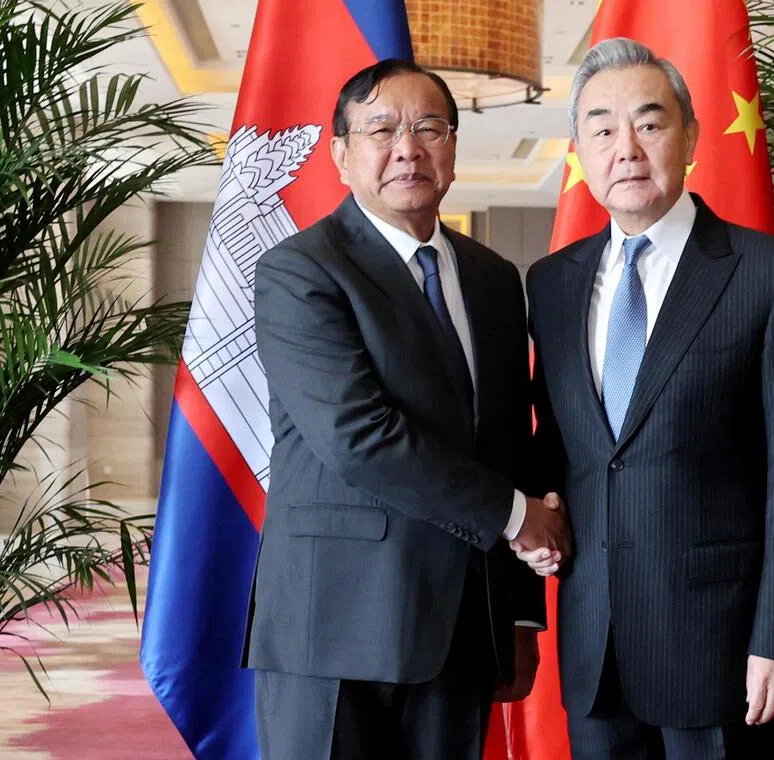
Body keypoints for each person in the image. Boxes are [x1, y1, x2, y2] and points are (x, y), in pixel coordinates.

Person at [515, 38, 774, 760]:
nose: (624, 147)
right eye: (601, 129)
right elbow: (562, 450)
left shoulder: (771, 276)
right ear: (580, 150)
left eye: (648, 124)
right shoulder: (553, 284)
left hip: (719, 648)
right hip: (596, 645)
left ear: (689, 134)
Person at [244, 59, 572, 760]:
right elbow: (359, 436)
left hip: (459, 631)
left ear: (453, 147)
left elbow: (507, 443)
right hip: (334, 628)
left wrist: (515, 614)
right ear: (340, 154)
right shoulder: (299, 270)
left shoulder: (492, 280)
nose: (408, 148)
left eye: (430, 128)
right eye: (382, 129)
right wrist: (517, 517)